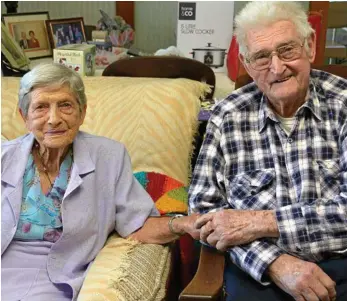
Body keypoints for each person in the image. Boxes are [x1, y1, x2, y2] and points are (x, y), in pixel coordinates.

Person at [189, 2, 347, 301]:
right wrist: (274, 263)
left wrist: (259, 222)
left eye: (287, 50)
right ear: (247, 64)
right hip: (259, 272)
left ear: (310, 46)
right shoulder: (227, 116)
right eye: (261, 57)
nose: (277, 68)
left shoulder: (344, 104)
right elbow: (203, 212)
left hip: (340, 265)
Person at [1, 63, 200, 301]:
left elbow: (136, 224)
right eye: (41, 107)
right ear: (24, 116)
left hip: (53, 275)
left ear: (82, 112)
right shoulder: (5, 157)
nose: (53, 119)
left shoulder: (109, 157)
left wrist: (182, 224)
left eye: (65, 105)